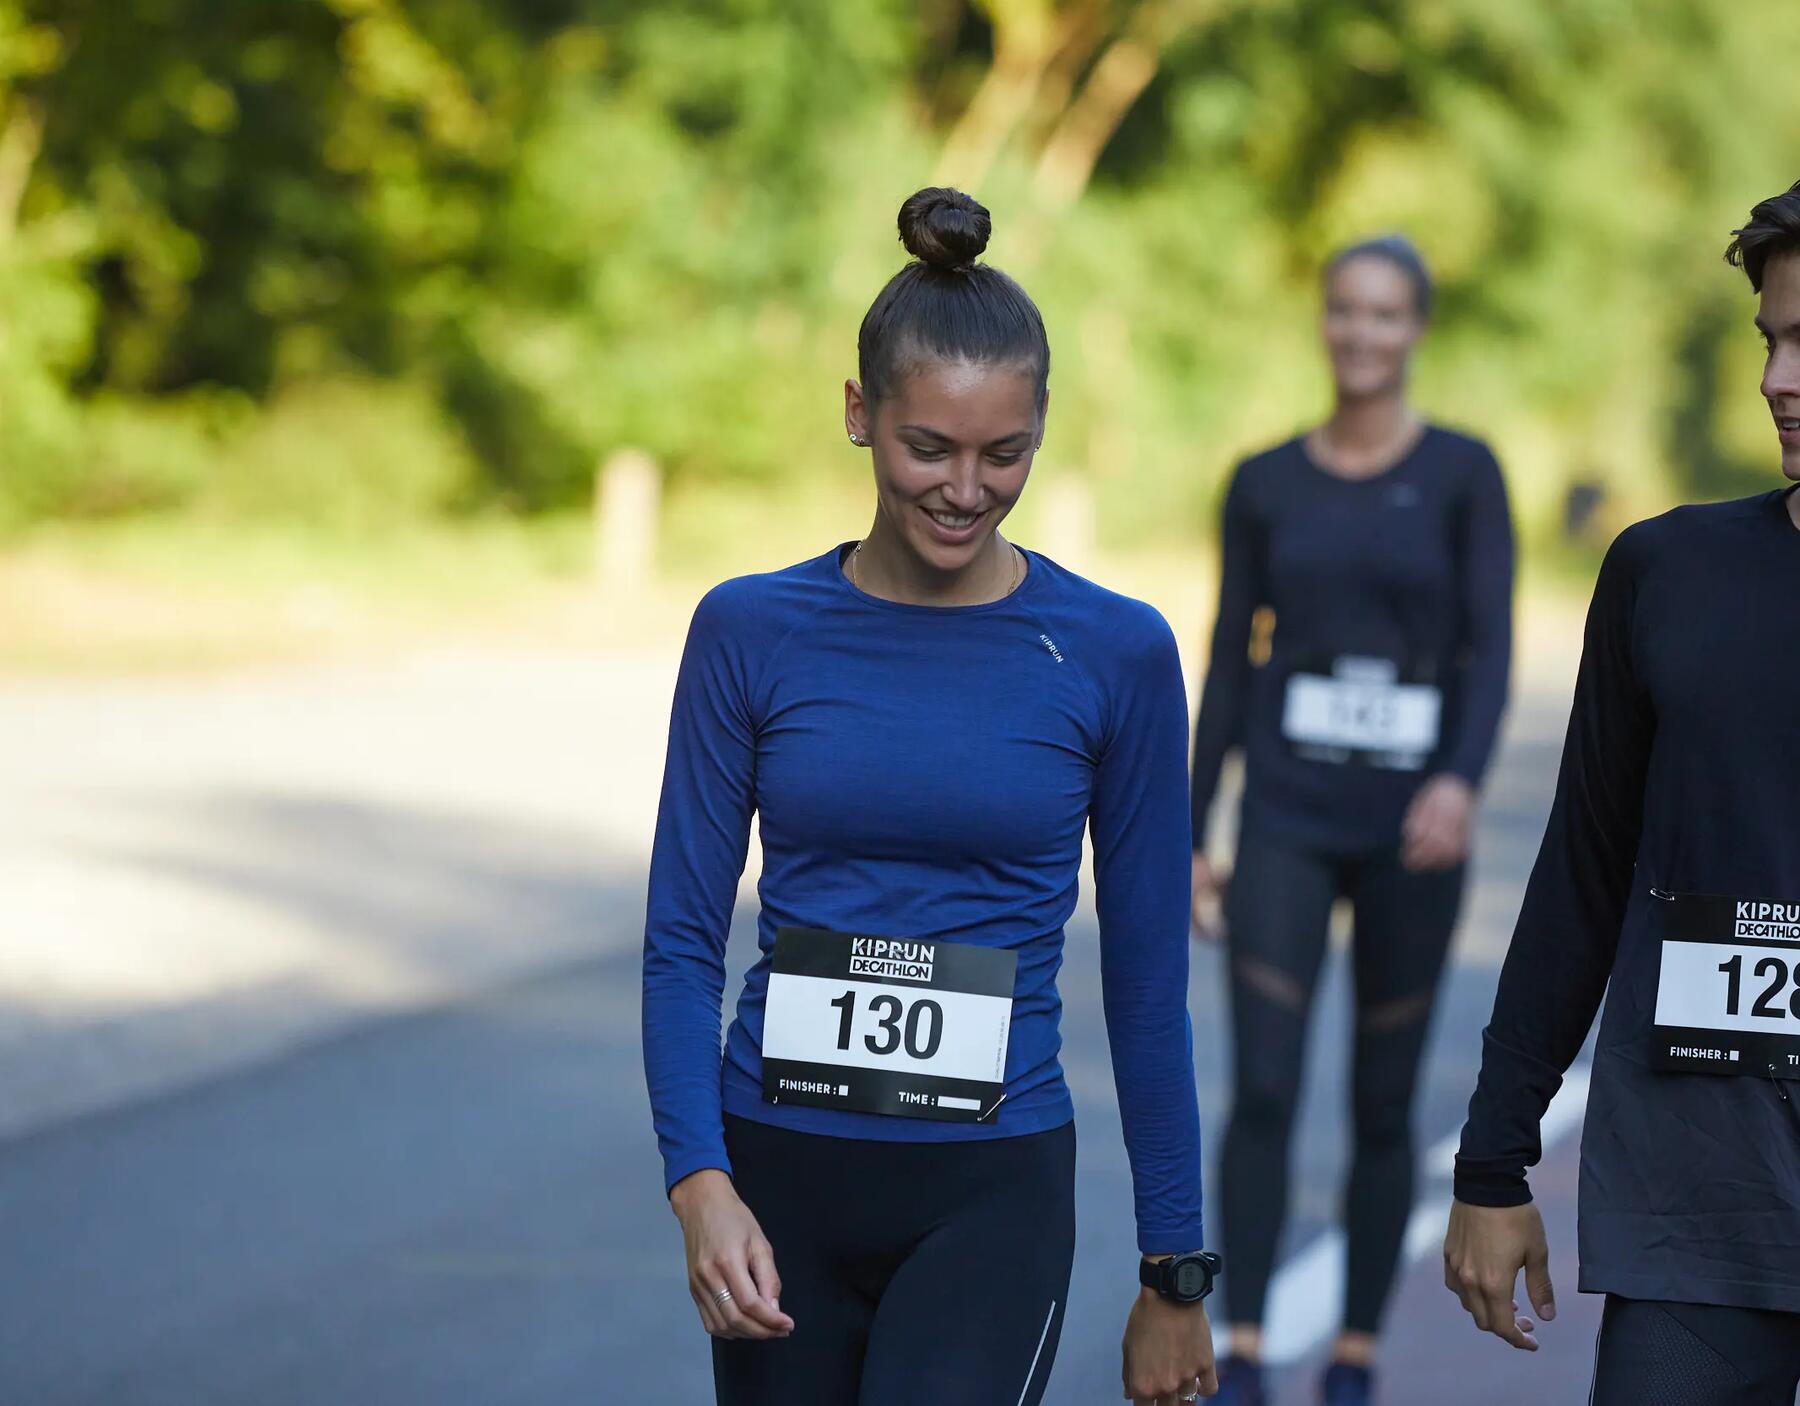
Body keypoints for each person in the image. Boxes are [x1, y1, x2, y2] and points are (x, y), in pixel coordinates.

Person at [641, 186, 1221, 1406]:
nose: (966, 487)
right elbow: (684, 940)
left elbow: (1151, 982)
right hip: (776, 1180)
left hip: (991, 1192)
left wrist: (1175, 1270)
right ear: (860, 414)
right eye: (930, 448)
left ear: (1041, 428)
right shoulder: (748, 630)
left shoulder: (1115, 651)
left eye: (1003, 452)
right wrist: (700, 1185)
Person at [1444, 182, 1800, 1403]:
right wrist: (1492, 1161)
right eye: (1771, 339)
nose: (1777, 380)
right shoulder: (1667, 572)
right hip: (1697, 1215)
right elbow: (1582, 877)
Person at [1189, 236, 1515, 1405]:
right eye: (1344, 310)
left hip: (1408, 833)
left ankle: (1356, 1351)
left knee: (1382, 1101)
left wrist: (1458, 782)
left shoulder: (1468, 472)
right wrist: (1192, 830)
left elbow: (1490, 650)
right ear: (1322, 321)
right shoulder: (1266, 478)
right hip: (1285, 811)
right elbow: (1231, 658)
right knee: (1264, 1090)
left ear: (1416, 327)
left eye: (1385, 314)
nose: (1362, 332)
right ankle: (1244, 1343)